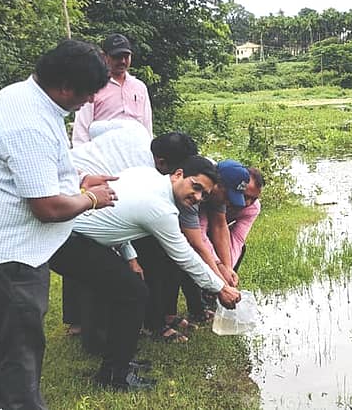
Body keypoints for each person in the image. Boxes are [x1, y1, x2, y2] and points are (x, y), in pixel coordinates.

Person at [0, 40, 117, 410]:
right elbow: (47, 206)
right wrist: (91, 199)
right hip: (8, 254)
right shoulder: (29, 122)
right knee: (20, 344)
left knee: (3, 332)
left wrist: (79, 181)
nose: (89, 102)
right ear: (66, 86)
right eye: (87, 93)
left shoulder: (24, 97)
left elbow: (39, 174)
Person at [49, 156, 242, 391]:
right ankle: (114, 375)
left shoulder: (147, 175)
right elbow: (185, 257)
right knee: (134, 294)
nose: (198, 197)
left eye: (204, 194)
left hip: (79, 237)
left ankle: (118, 361)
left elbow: (117, 217)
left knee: (128, 291)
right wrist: (220, 288)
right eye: (196, 186)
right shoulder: (160, 209)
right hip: (67, 242)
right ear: (178, 174)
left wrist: (129, 256)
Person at [62, 123, 198, 337]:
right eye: (176, 173)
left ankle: (143, 322)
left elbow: (95, 127)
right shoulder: (142, 171)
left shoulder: (137, 132)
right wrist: (131, 257)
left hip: (84, 188)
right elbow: (117, 218)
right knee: (113, 274)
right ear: (163, 163)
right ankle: (115, 331)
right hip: (75, 194)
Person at [178, 160, 264, 322]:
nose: (247, 203)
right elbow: (198, 239)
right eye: (245, 197)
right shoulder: (201, 195)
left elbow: (227, 232)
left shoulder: (225, 197)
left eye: (253, 199)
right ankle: (196, 305)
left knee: (236, 252)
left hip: (202, 233)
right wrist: (219, 275)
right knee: (190, 255)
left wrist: (227, 270)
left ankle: (211, 296)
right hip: (184, 231)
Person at [72, 33, 152, 146]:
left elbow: (147, 126)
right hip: (103, 152)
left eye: (126, 56)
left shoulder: (139, 87)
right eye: (117, 57)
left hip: (135, 150)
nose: (123, 61)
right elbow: (82, 127)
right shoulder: (93, 85)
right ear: (104, 56)